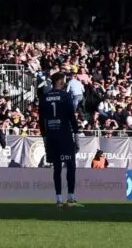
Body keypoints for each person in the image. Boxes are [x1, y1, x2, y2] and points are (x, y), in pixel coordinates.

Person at [39, 73, 81, 208]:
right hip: (65, 135)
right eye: (64, 81)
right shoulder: (65, 96)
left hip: (51, 136)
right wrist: (76, 136)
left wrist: (45, 138)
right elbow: (72, 117)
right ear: (60, 82)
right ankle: (71, 198)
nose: (65, 83)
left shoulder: (44, 97)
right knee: (71, 166)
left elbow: (41, 120)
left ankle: (58, 199)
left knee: (57, 168)